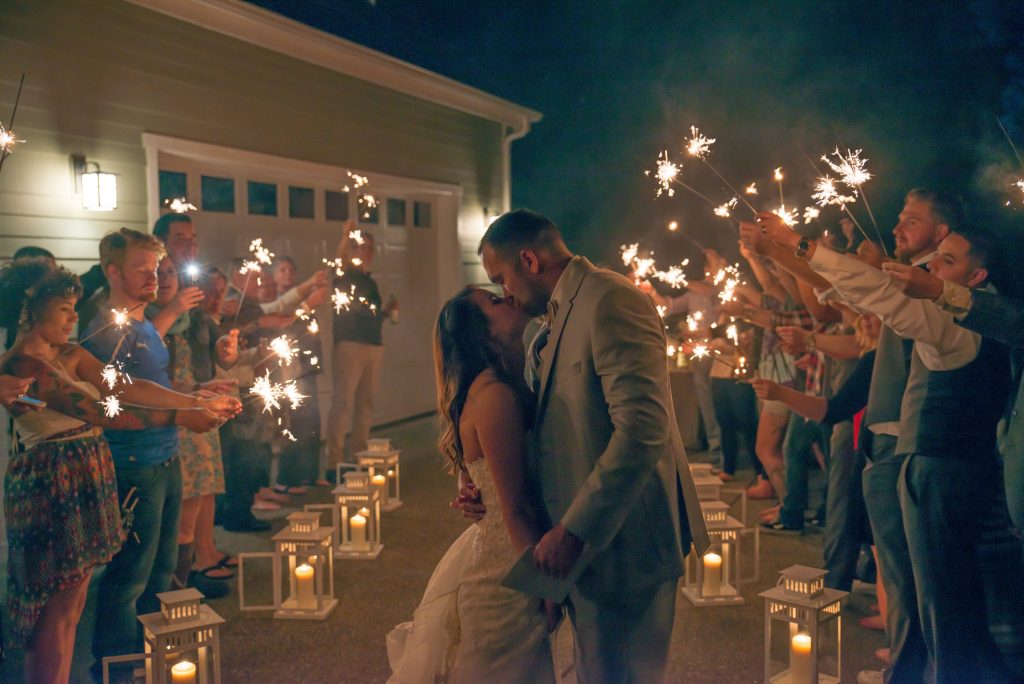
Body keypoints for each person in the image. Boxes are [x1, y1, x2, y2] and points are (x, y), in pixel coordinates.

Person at [763, 210, 1024, 682]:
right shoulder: (978, 315)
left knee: (945, 603)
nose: (932, 268)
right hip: (951, 469)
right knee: (950, 600)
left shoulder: (960, 321)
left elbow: (879, 293)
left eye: (946, 260)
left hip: (939, 471)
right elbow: (861, 293)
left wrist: (797, 244)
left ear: (977, 276)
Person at [477, 209, 709, 682]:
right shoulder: (552, 319)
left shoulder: (611, 299)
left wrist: (575, 529)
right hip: (586, 549)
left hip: (626, 544)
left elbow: (643, 429)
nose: (506, 293)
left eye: (502, 278)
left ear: (529, 259)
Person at [741, 191, 952, 684]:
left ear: (941, 237)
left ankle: (914, 662)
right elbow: (849, 290)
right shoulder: (896, 297)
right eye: (897, 218)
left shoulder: (927, 298)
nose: (899, 228)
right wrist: (774, 251)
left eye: (912, 220)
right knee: (897, 567)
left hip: (914, 448)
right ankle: (907, 661)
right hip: (883, 443)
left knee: (920, 577)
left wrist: (791, 245)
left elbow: (859, 291)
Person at [0, 261, 231, 684]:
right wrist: (182, 416)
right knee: (53, 612)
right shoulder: (22, 368)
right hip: (53, 485)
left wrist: (193, 399)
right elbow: (106, 412)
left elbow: (124, 388)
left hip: (85, 475)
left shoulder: (68, 353)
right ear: (28, 312)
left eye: (74, 307)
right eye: (65, 308)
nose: (74, 317)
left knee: (72, 605)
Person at [82, 229, 240, 680]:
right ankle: (114, 666)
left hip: (166, 458)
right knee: (130, 574)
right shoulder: (104, 330)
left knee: (161, 569)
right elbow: (119, 399)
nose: (153, 277)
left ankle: (148, 657)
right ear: (113, 272)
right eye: (142, 269)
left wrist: (195, 393)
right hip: (135, 463)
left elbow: (156, 387)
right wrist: (184, 412)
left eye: (156, 268)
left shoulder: (144, 321)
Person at [387, 287, 556, 682]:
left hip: (505, 552)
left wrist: (470, 481)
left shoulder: (501, 383)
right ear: (479, 334)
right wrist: (546, 585)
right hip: (507, 571)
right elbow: (515, 507)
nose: (510, 298)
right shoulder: (494, 394)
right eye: (495, 301)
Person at [884, 260, 1024, 533]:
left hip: (947, 457)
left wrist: (938, 289)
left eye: (947, 259)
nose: (930, 264)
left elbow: (1013, 320)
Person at [148, 257, 238, 596]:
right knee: (184, 504)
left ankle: (198, 561)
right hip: (172, 414)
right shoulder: (145, 320)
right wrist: (171, 308)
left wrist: (224, 350)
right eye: (158, 273)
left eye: (171, 272)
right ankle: (175, 587)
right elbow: (139, 361)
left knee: (205, 488)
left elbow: (222, 356)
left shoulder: (194, 317)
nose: (165, 278)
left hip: (198, 403)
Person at [327, 225, 396, 471]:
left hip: (373, 345)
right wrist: (346, 235)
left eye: (370, 247)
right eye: (361, 246)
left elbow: (371, 315)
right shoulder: (346, 275)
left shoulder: (370, 282)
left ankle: (358, 455)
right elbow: (338, 262)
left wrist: (385, 312)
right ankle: (333, 461)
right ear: (353, 250)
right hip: (350, 345)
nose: (366, 251)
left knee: (366, 404)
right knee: (343, 402)